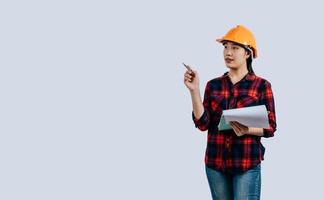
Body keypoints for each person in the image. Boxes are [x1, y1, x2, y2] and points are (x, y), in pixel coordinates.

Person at [183, 25, 277, 200]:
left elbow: (271, 127)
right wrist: (194, 91)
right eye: (225, 47)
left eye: (235, 48)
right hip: (215, 163)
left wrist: (246, 129)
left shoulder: (262, 86)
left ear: (247, 53)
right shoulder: (213, 85)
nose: (228, 52)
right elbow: (203, 123)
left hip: (246, 163)